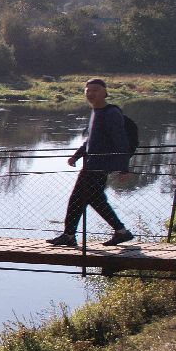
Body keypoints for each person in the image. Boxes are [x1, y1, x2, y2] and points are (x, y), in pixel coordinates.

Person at [48, 78, 133, 247]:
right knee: (92, 200)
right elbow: (90, 141)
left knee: (79, 200)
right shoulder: (96, 112)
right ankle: (120, 232)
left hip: (99, 167)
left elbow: (121, 141)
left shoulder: (111, 113)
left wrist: (124, 168)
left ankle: (70, 235)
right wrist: (77, 156)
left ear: (104, 92)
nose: (91, 93)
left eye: (95, 90)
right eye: (88, 90)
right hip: (91, 165)